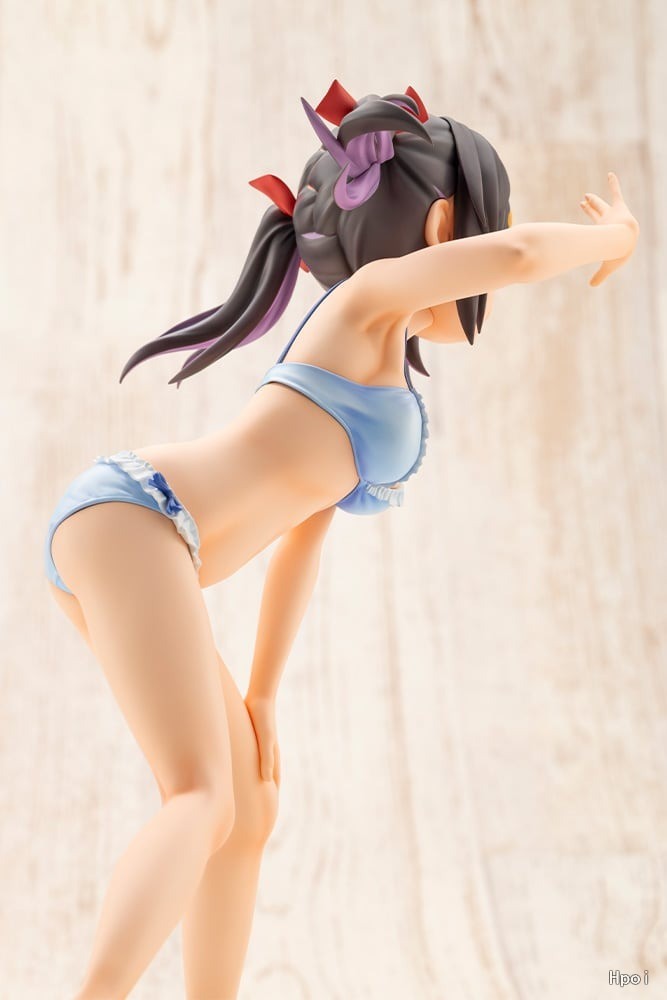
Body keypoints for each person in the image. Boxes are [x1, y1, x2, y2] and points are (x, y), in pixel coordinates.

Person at [43, 79, 639, 999]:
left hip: (148, 538)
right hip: (138, 516)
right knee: (199, 796)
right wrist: (616, 239)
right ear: (442, 224)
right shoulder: (364, 300)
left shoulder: (374, 359)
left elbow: (300, 535)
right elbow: (519, 253)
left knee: (247, 808)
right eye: (478, 224)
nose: (483, 263)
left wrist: (263, 695)